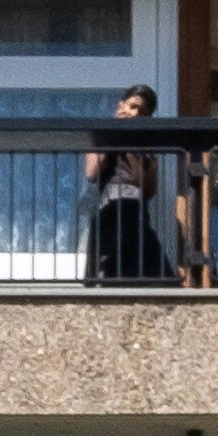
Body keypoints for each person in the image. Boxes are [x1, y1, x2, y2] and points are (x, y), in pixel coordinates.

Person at [78, 84, 170, 285]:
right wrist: (114, 134)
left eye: (142, 112)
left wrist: (135, 147)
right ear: (121, 105)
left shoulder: (145, 146)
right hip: (111, 209)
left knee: (162, 274)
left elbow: (149, 190)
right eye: (132, 106)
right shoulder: (103, 133)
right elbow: (92, 173)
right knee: (111, 268)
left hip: (135, 211)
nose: (135, 113)